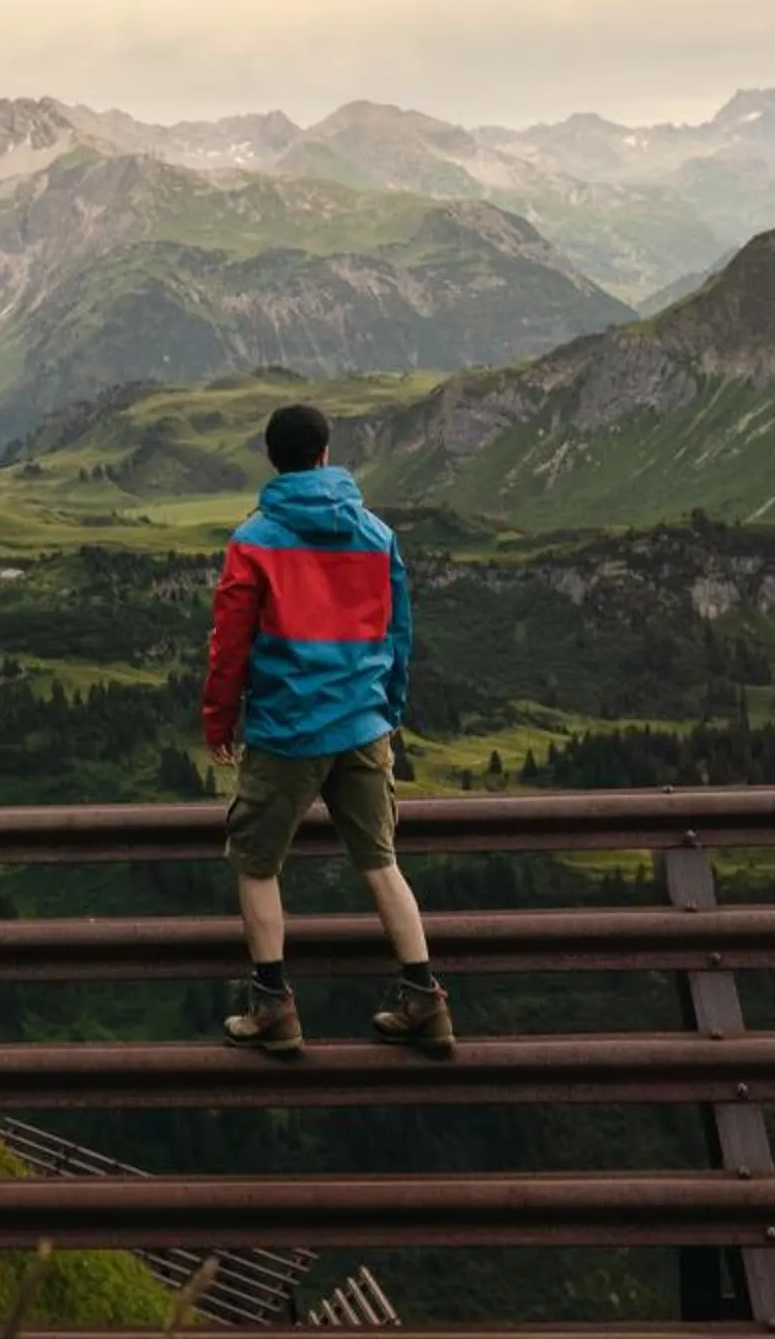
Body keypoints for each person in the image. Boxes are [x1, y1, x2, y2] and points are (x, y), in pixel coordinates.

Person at [201, 403, 452, 1058]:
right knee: (382, 863)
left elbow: (230, 645)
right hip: (363, 726)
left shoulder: (254, 539)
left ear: (273, 459)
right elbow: (399, 636)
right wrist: (387, 709)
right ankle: (424, 997)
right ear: (324, 454)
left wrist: (220, 719)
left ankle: (273, 1008)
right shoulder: (375, 533)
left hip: (287, 730)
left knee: (257, 866)